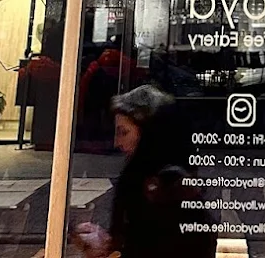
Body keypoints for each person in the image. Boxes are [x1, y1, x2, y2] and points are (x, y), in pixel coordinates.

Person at [70, 84, 215, 258]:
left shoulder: (166, 184)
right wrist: (107, 241)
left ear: (148, 135)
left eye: (123, 132)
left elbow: (150, 245)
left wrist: (111, 244)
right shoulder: (140, 175)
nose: (117, 142)